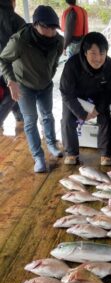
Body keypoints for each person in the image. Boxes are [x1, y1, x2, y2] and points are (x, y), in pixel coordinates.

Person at [0, 5, 64, 173]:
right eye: (46, 27)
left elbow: (57, 57)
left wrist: (51, 72)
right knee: (30, 120)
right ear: (35, 25)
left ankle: (51, 143)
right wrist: (11, 82)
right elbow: (3, 60)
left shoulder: (58, 40)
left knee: (48, 115)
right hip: (24, 85)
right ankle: (38, 157)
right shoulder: (20, 40)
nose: (51, 32)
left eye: (54, 28)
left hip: (45, 84)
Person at [60, 32, 111, 166]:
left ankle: (106, 154)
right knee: (67, 119)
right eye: (93, 53)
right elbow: (66, 92)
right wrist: (81, 113)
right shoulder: (72, 64)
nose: (98, 58)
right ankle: (71, 153)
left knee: (106, 119)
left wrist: (98, 109)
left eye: (102, 53)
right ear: (85, 52)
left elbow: (110, 92)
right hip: (76, 97)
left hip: (99, 96)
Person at [0, 0, 25, 124]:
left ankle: (19, 115)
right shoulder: (17, 21)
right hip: (10, 64)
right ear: (12, 2)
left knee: (8, 92)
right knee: (11, 94)